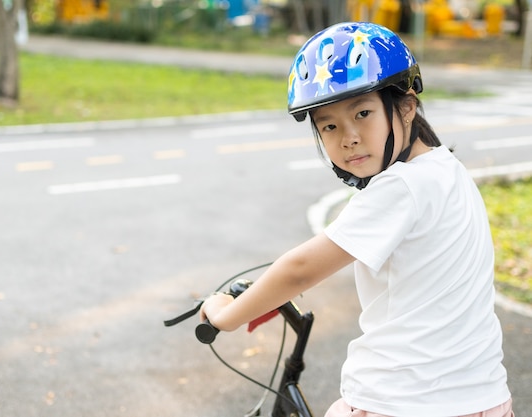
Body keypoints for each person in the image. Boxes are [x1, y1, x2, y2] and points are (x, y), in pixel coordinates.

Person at [200, 22, 513, 417]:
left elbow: (300, 269)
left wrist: (225, 316)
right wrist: (266, 295)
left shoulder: (400, 186)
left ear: (406, 105)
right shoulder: (446, 170)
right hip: (482, 397)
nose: (348, 137)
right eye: (329, 125)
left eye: (362, 113)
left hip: (406, 401)